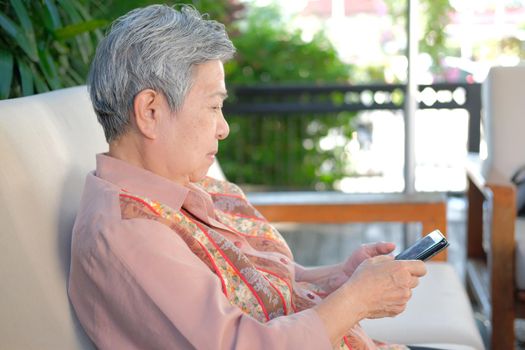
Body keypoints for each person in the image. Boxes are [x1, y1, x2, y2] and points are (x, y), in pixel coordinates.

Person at [68, 4, 427, 349]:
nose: (223, 128)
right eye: (213, 107)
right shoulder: (133, 234)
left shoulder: (183, 188)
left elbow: (255, 284)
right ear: (150, 111)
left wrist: (336, 278)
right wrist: (357, 300)